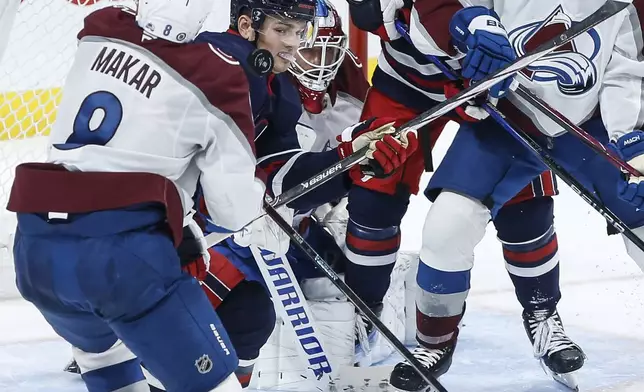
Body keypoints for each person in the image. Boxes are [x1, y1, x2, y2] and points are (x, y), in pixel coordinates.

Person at [4, 1, 292, 391]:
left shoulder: (99, 29)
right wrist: (258, 207)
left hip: (36, 248)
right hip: (122, 260)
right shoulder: (217, 76)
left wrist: (179, 218)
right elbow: (234, 208)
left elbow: (124, 148)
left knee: (109, 367)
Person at [380, 0, 644, 391]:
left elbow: (627, 66)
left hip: (592, 123)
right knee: (447, 227)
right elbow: (431, 16)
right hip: (510, 118)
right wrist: (467, 29)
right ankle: (434, 342)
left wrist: (632, 142)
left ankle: (542, 315)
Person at [346, 0, 587, 383]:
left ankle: (541, 312)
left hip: (495, 85)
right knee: (372, 192)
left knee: (523, 204)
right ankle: (362, 311)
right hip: (409, 79)